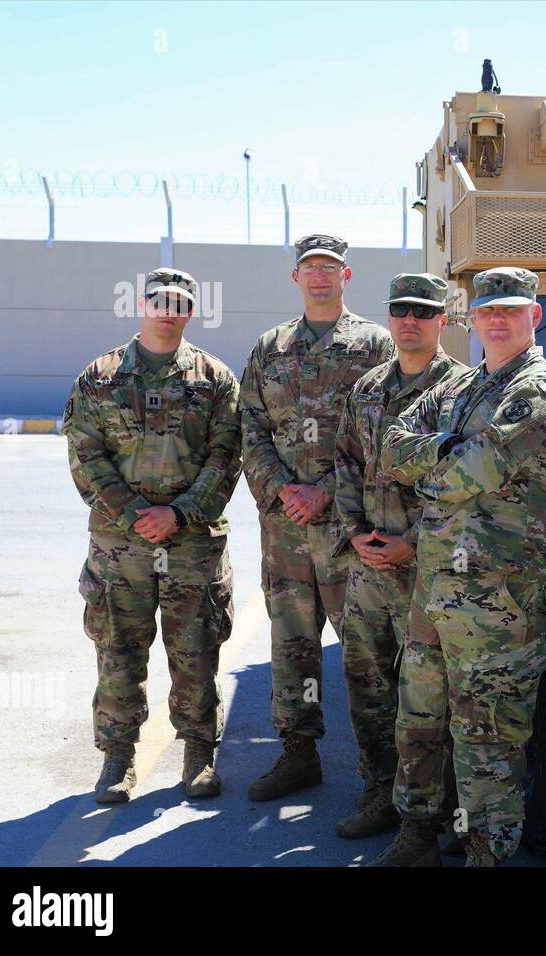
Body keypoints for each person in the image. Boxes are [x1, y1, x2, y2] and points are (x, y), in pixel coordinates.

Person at [370, 266, 546, 867]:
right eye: (488, 310)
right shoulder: (463, 389)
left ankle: (486, 855)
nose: (497, 319)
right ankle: (416, 837)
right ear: (472, 318)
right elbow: (393, 446)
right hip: (436, 588)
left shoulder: (537, 390)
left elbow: (474, 472)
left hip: (497, 598)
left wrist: (435, 456)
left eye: (511, 310)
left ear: (533, 317)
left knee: (487, 738)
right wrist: (445, 448)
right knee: (419, 718)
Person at [64, 267, 240, 802]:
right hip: (120, 545)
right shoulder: (101, 375)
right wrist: (135, 514)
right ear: (142, 304)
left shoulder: (213, 378)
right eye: (160, 300)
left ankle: (198, 752)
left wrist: (180, 515)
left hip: (192, 543)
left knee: (195, 649)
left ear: (191, 310)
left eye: (180, 302)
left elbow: (225, 455)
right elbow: (84, 452)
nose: (169, 309)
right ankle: (117, 758)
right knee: (118, 649)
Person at [239, 234, 393, 800]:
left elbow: (383, 436)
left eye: (330, 268)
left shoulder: (375, 346)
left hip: (351, 529)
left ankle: (380, 773)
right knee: (293, 647)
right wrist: (284, 490)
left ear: (347, 277)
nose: (320, 276)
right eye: (310, 268)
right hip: (286, 530)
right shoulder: (270, 348)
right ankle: (298, 753)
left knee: (366, 651)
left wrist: (326, 492)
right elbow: (249, 428)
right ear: (296, 278)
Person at [331, 273, 466, 838]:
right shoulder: (366, 389)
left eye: (423, 311)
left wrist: (413, 540)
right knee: (368, 688)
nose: (409, 320)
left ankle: (443, 812)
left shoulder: (462, 391)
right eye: (400, 309)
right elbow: (344, 462)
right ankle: (379, 794)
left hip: (429, 571)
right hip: (368, 568)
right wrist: (356, 532)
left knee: (436, 696)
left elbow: (464, 485)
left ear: (442, 320)